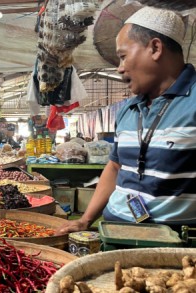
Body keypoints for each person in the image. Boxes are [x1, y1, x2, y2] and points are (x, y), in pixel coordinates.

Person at [58, 7, 196, 235]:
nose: (120, 68)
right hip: (114, 232)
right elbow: (114, 166)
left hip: (172, 249)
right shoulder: (128, 110)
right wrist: (85, 220)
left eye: (123, 56)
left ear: (155, 48)